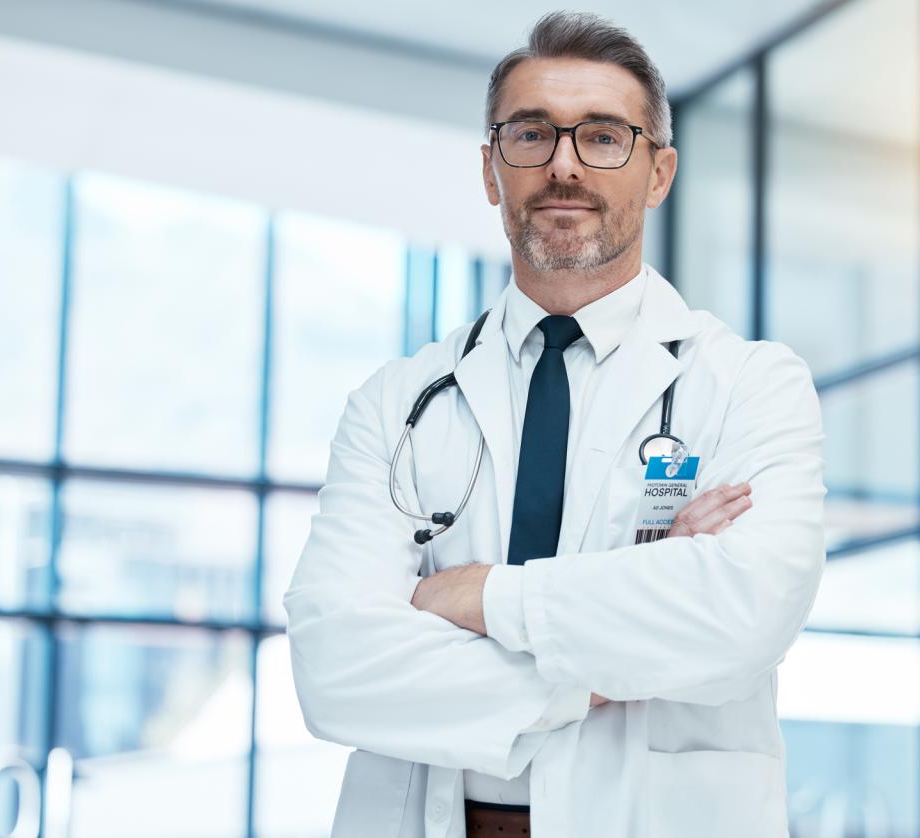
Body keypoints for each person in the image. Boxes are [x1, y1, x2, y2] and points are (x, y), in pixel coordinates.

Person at [283, 11, 826, 837]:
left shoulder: (751, 385)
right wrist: (600, 671)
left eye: (604, 137)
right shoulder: (396, 402)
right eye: (531, 135)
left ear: (659, 172)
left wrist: (476, 596)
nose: (564, 165)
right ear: (491, 169)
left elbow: (742, 616)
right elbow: (335, 667)